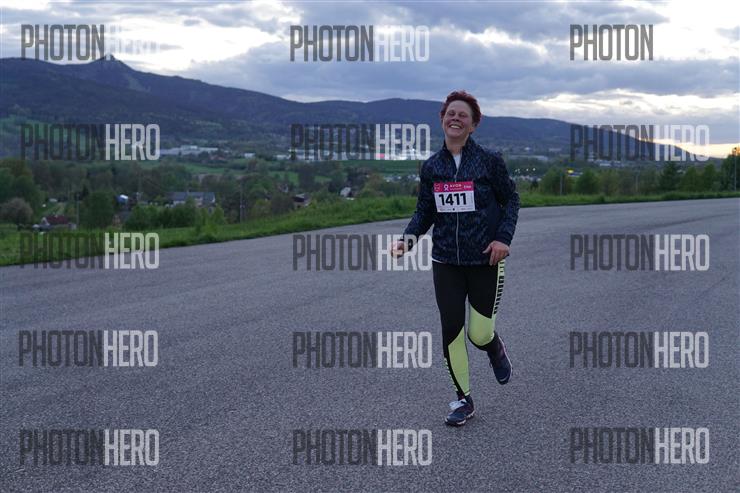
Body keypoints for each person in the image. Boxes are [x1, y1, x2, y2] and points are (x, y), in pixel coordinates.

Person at [391, 90, 520, 426]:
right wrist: (406, 241)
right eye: (451, 113)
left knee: (478, 334)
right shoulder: (432, 167)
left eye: (463, 115)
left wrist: (503, 239)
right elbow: (424, 212)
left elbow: (511, 201)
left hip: (485, 260)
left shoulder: (490, 161)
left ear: (473, 125)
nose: (456, 119)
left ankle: (493, 347)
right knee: (451, 329)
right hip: (446, 261)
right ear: (442, 119)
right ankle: (464, 400)